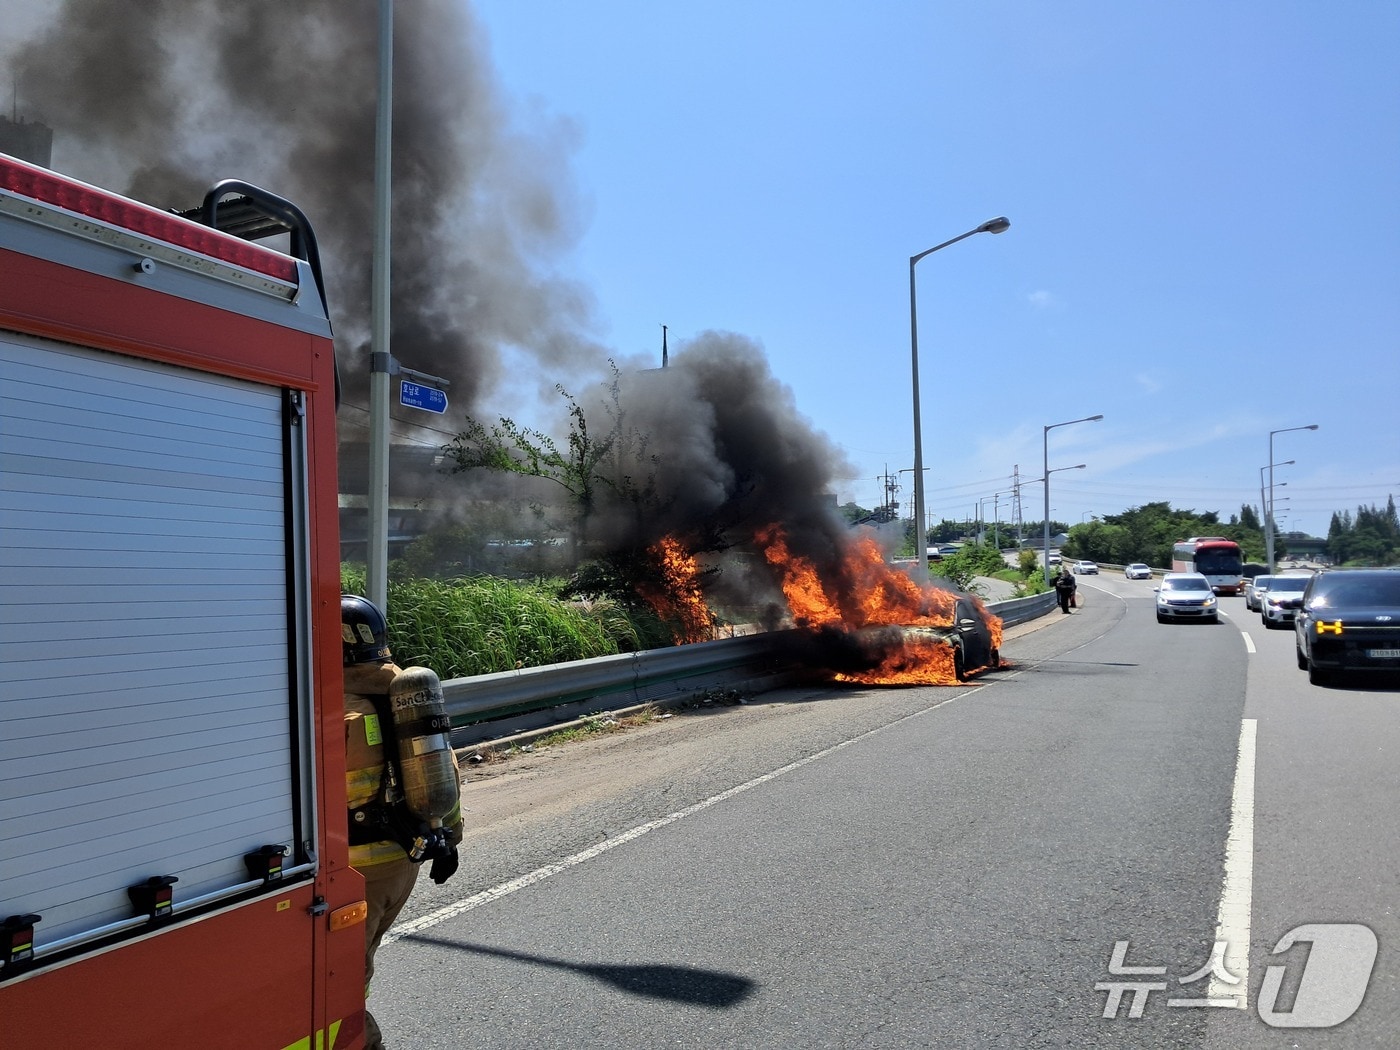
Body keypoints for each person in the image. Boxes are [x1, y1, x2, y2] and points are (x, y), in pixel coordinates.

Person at [342, 594, 463, 1050]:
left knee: (341, 978)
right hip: (403, 862)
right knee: (360, 961)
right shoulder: (408, 695)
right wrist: (450, 839)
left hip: (355, 872)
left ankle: (362, 1041)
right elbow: (447, 775)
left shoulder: (330, 711)